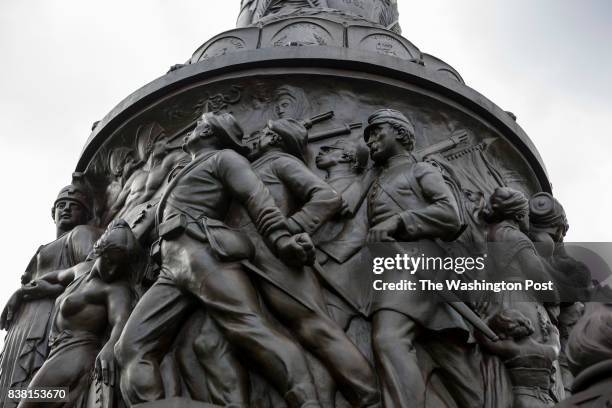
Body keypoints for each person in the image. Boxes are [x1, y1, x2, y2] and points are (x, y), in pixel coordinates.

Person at [114, 112, 325, 408]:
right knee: (130, 347)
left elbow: (256, 198)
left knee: (248, 328)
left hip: (203, 252)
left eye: (199, 126)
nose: (190, 131)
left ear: (212, 133)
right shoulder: (184, 170)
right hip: (171, 266)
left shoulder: (224, 159)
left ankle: (307, 401)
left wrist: (281, 239)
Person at [239, 119, 380, 407]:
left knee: (315, 327)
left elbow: (327, 197)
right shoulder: (248, 166)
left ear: (279, 140)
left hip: (274, 256)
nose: (258, 136)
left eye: (266, 133)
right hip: (241, 258)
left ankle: (370, 397)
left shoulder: (280, 161)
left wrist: (290, 228)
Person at [363, 109, 481, 408]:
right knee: (457, 367)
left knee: (389, 338)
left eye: (378, 132)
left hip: (418, 264)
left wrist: (400, 221)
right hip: (391, 268)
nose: (371, 140)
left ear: (401, 134)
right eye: (368, 136)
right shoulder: (377, 181)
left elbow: (450, 215)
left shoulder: (421, 171)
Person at [17, 220, 138, 408]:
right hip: (57, 351)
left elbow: (121, 321)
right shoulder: (81, 271)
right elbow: (56, 277)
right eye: (110, 261)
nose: (113, 270)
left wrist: (109, 348)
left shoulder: (115, 289)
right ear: (100, 251)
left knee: (28, 403)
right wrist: (26, 290)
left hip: (77, 353)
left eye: (119, 266)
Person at [0, 185, 102, 408]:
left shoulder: (81, 233)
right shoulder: (43, 247)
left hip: (52, 316)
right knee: (11, 391)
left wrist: (28, 291)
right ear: (52, 212)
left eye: (74, 206)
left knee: (41, 388)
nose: (65, 210)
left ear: (87, 214)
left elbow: (91, 274)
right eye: (61, 205)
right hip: (22, 324)